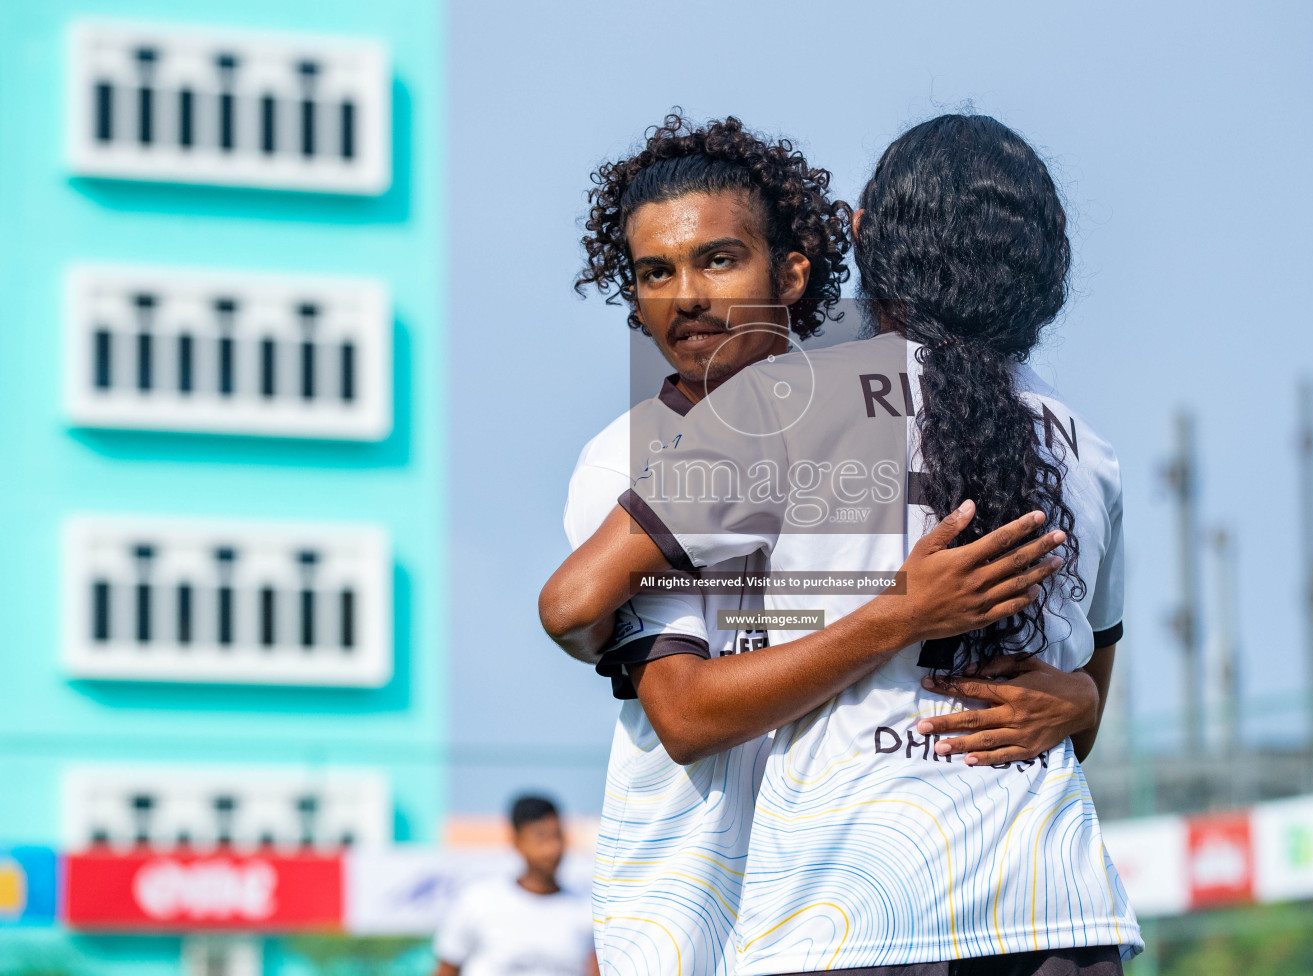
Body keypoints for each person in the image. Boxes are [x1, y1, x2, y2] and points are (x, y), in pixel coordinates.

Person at [543, 114, 1138, 974]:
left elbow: (572, 603)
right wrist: (1068, 700)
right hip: (1053, 913)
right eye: (656, 272)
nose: (690, 296)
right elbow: (1090, 689)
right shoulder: (1085, 442)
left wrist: (914, 622)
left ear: (839, 248)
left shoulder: (794, 403)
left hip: (848, 906)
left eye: (718, 258)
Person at [431, 795, 597, 976]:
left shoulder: (586, 909)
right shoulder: (479, 901)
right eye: (541, 837)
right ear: (517, 840)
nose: (553, 848)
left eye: (558, 836)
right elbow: (447, 969)